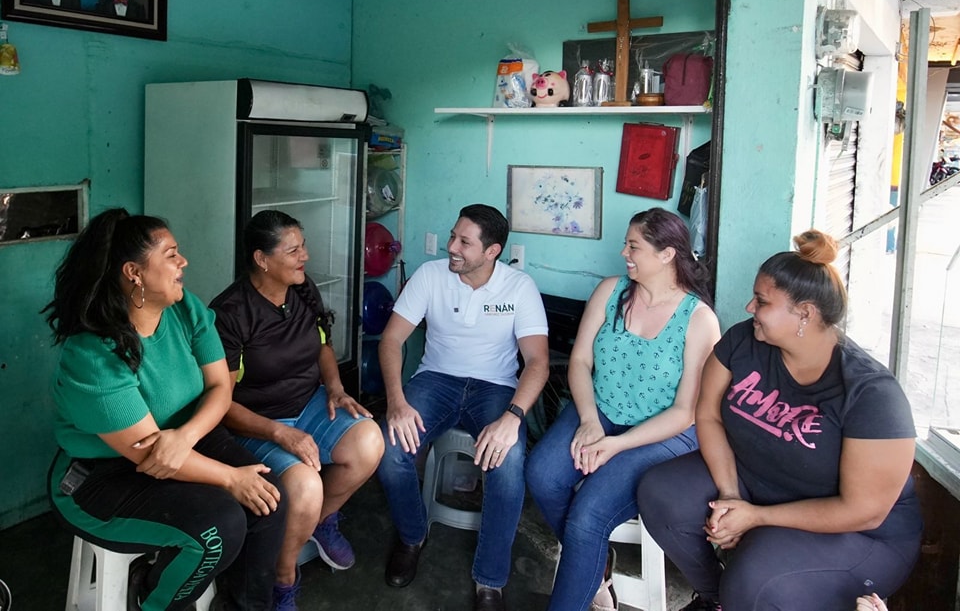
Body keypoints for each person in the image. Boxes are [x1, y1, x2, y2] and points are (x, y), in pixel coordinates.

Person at [637, 229, 923, 611]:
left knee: (755, 577)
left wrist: (755, 517)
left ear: (805, 313)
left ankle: (739, 595)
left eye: (761, 301)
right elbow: (707, 414)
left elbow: (864, 511)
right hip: (756, 485)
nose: (748, 307)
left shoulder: (871, 395)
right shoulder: (743, 341)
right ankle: (717, 599)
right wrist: (731, 496)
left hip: (859, 535)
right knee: (662, 493)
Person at [43, 208, 287, 611]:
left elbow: (220, 388)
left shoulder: (184, 308)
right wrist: (230, 478)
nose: (183, 262)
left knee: (269, 499)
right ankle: (155, 600)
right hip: (104, 473)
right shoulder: (94, 354)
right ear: (134, 273)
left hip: (186, 438)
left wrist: (186, 436)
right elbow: (149, 453)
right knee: (219, 527)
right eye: (171, 255)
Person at [526, 208, 721, 611]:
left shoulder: (698, 319)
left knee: (587, 517)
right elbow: (580, 361)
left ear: (667, 254)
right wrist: (589, 421)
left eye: (634, 246)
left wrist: (615, 445)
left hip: (661, 431)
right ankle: (594, 565)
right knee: (542, 475)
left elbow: (685, 412)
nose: (624, 253)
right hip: (600, 409)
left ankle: (584, 563)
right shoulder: (611, 292)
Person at [376, 204, 550, 611]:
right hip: (436, 380)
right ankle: (412, 535)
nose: (451, 247)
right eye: (453, 236)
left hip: (495, 388)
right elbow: (391, 341)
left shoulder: (518, 287)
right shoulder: (430, 276)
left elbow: (537, 362)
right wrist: (396, 401)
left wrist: (513, 417)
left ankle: (490, 580)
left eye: (464, 242)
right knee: (389, 449)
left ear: (492, 251)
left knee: (509, 460)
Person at [210, 210, 384, 611]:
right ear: (261, 259)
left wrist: (335, 389)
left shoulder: (302, 289)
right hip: (255, 424)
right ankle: (284, 576)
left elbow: (322, 345)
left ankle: (320, 521)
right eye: (293, 250)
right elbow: (220, 404)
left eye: (303, 246)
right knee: (306, 485)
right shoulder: (230, 313)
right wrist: (278, 433)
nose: (305, 255)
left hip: (308, 405)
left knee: (370, 440)